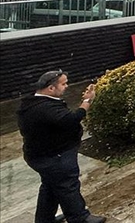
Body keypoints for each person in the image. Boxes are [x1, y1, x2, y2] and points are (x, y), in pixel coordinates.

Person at [17, 70, 106, 223]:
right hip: (54, 156)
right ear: (51, 88)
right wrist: (87, 102)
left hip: (41, 155)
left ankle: (44, 220)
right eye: (63, 84)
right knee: (67, 186)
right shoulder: (44, 108)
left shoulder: (34, 102)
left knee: (50, 187)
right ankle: (79, 218)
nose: (67, 86)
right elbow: (70, 119)